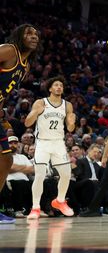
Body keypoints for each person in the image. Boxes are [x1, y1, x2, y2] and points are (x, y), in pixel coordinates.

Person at [0, 23, 40, 224]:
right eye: (28, 33)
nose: (34, 36)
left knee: (6, 160)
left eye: (36, 34)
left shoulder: (26, 66)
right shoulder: (8, 50)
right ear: (18, 36)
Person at [24, 76, 76, 219]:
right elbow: (27, 123)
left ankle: (59, 201)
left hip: (58, 142)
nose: (59, 87)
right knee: (40, 175)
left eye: (61, 85)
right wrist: (35, 112)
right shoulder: (41, 102)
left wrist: (72, 123)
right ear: (50, 88)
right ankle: (35, 208)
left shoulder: (67, 105)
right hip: (42, 143)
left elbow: (70, 128)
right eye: (56, 85)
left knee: (66, 174)